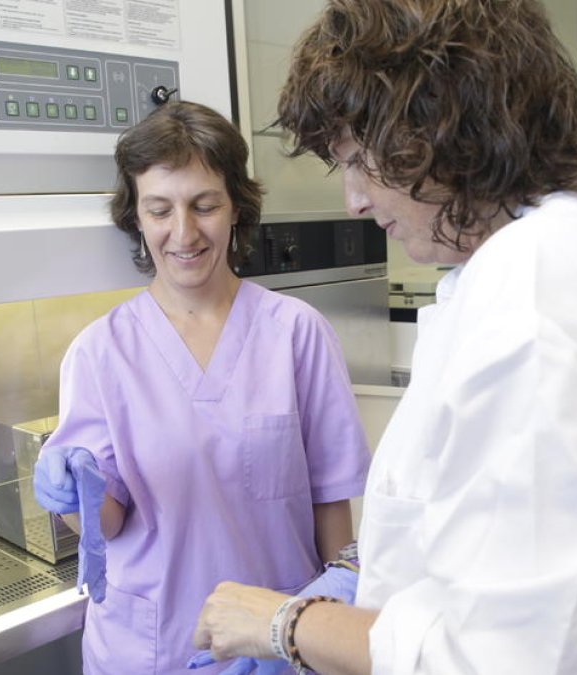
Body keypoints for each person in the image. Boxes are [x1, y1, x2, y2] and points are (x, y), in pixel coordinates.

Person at [192, 1, 577, 673]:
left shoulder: (547, 284)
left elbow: (505, 657)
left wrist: (287, 621)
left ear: (444, 127)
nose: (354, 201)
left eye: (360, 160)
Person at [33, 100, 371, 674]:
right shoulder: (100, 351)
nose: (183, 232)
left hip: (272, 645)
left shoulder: (295, 333)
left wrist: (323, 622)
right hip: (148, 650)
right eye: (159, 209)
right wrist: (74, 494)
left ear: (236, 206)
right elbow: (106, 523)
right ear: (135, 218)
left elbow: (330, 510)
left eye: (204, 205)